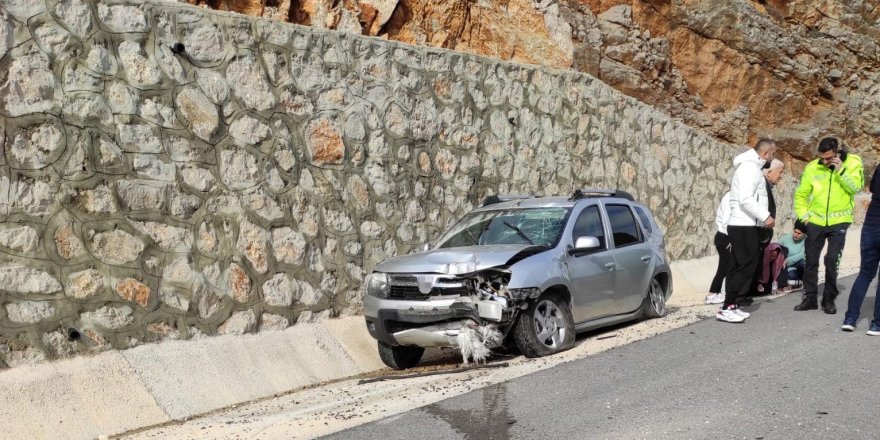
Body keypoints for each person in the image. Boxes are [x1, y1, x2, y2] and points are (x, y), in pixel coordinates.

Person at [793, 137, 864, 314]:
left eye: (828, 158)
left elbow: (856, 188)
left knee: (832, 259)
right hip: (815, 221)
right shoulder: (812, 167)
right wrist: (805, 217)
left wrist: (841, 170)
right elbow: (801, 195)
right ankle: (810, 298)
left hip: (839, 221)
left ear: (837, 153)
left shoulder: (854, 162)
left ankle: (829, 297)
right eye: (821, 158)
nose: (824, 162)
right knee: (810, 259)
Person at [717, 139, 776, 323]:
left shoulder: (751, 168)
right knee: (746, 264)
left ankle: (731, 304)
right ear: (765, 154)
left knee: (737, 264)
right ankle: (727, 306)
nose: (772, 158)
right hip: (742, 224)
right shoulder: (749, 169)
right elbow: (746, 199)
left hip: (745, 224)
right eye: (772, 154)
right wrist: (765, 216)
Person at [841, 165, 880, 333]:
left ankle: (850, 319)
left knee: (865, 274)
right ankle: (876, 324)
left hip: (871, 226)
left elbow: (872, 189)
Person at [745, 159, 785, 302]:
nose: (781, 176)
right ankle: (741, 296)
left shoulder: (766, 186)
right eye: (780, 172)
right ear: (769, 172)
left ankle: (746, 293)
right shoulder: (761, 187)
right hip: (755, 234)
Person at [706, 192, 731, 305]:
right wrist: (730, 239)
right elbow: (726, 220)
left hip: (724, 236)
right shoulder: (730, 198)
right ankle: (711, 294)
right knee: (723, 267)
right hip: (725, 236)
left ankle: (717, 292)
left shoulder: (731, 196)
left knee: (725, 267)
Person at [776, 221, 807, 293]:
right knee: (791, 277)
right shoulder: (785, 239)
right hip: (788, 267)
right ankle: (798, 282)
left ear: (804, 234)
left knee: (803, 262)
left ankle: (803, 280)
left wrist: (788, 260)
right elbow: (776, 248)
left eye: (799, 233)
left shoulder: (806, 241)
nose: (795, 235)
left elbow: (804, 254)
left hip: (799, 266)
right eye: (795, 232)